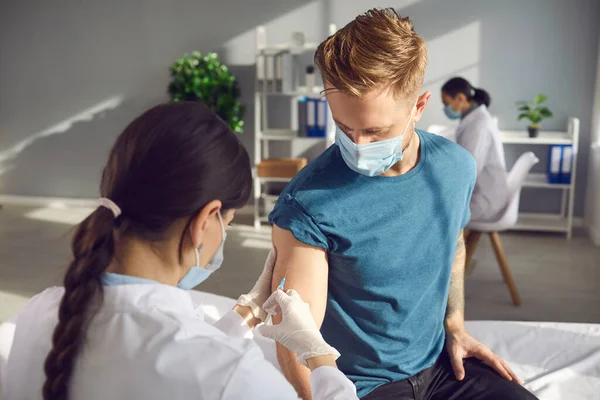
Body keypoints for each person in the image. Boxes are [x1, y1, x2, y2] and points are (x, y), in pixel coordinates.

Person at [2, 102, 359, 400]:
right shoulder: (233, 376)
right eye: (228, 224)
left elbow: (162, 348)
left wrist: (244, 314)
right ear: (204, 221)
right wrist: (318, 355)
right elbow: (195, 362)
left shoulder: (39, 315)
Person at [267, 9, 538, 400]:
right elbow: (295, 335)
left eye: (375, 131)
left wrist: (456, 326)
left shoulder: (455, 167)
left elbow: (455, 244)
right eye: (345, 128)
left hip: (441, 369)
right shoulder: (308, 202)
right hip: (359, 386)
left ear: (419, 106)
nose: (357, 146)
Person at [442, 77, 510, 223]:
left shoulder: (478, 124)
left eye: (446, 104)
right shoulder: (475, 119)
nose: (446, 109)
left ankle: (448, 246)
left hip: (486, 200)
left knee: (436, 211)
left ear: (460, 98)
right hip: (486, 193)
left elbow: (470, 169)